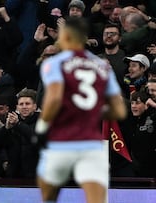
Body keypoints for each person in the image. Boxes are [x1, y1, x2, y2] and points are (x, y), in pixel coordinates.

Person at [34, 17, 126, 203]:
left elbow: (54, 98)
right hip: (92, 145)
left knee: (47, 194)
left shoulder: (54, 63)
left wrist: (42, 127)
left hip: (62, 142)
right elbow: (119, 111)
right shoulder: (103, 66)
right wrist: (92, 112)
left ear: (65, 35)